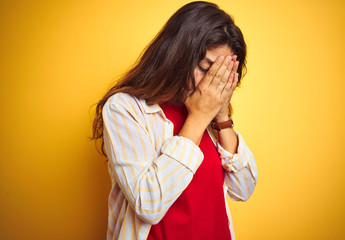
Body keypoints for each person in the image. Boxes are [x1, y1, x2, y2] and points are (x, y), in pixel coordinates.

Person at [91, 1, 258, 239]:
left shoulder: (213, 114)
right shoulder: (124, 108)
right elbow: (149, 204)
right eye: (205, 68)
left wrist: (221, 116)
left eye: (221, 74)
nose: (211, 84)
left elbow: (243, 189)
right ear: (177, 54)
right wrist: (198, 117)